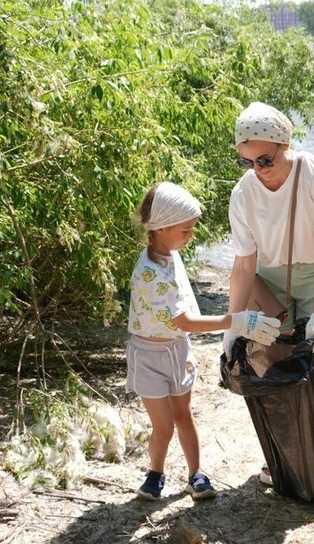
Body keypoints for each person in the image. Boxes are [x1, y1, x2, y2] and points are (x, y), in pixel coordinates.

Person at [127, 182, 281, 501]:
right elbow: (184, 322)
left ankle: (195, 474)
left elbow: (181, 318)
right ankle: (155, 474)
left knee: (184, 415)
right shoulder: (150, 274)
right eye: (185, 230)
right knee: (164, 425)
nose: (190, 235)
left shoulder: (170, 254)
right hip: (149, 356)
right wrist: (236, 320)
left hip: (176, 350)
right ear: (162, 227)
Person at [223, 101, 314, 485]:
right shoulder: (243, 195)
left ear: (285, 146)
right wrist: (231, 325)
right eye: (248, 162)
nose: (258, 171)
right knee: (274, 368)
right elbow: (244, 267)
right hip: (268, 279)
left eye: (265, 160)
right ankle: (284, 460)